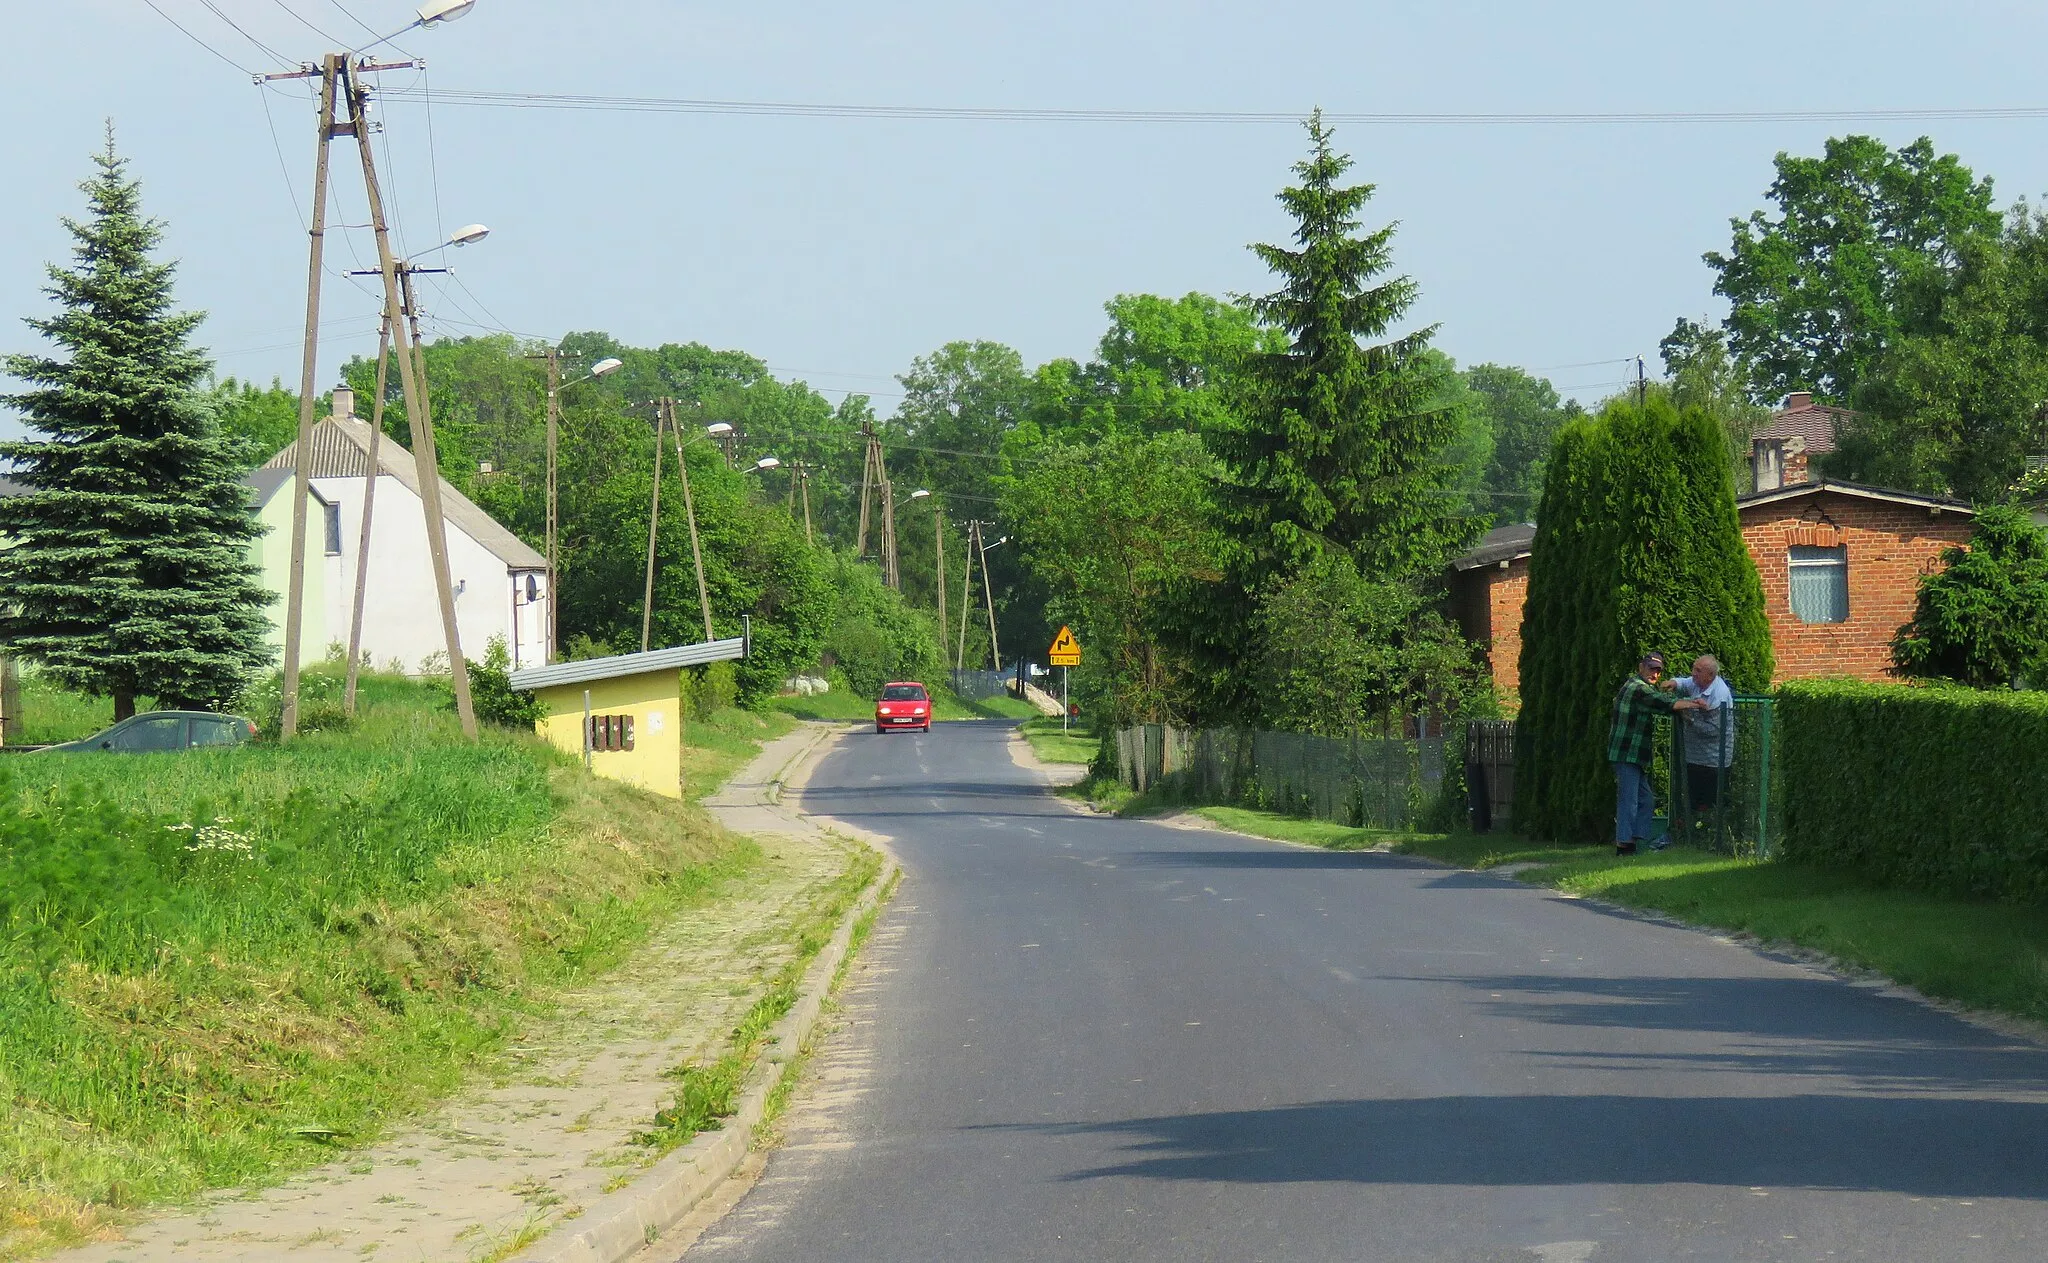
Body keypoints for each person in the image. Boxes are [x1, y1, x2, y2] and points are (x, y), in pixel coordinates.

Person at [1608, 651, 1705, 855]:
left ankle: (1634, 841)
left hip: (1634, 756)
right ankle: (1623, 848)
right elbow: (1663, 702)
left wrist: (1681, 711)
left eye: (1658, 671)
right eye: (1652, 669)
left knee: (1646, 800)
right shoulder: (1637, 688)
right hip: (1626, 754)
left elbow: (1661, 706)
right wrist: (1695, 704)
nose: (1655, 674)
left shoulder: (1641, 689)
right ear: (1641, 667)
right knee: (1629, 800)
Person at [1672, 654, 1735, 832]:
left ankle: (1710, 833)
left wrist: (1690, 720)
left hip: (1713, 760)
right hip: (1695, 757)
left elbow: (1715, 731)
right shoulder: (1697, 682)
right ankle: (1689, 833)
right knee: (1692, 799)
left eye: (1698, 671)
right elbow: (1685, 682)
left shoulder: (1720, 695)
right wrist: (1674, 683)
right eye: (1693, 668)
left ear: (1710, 676)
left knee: (1711, 802)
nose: (1693, 674)